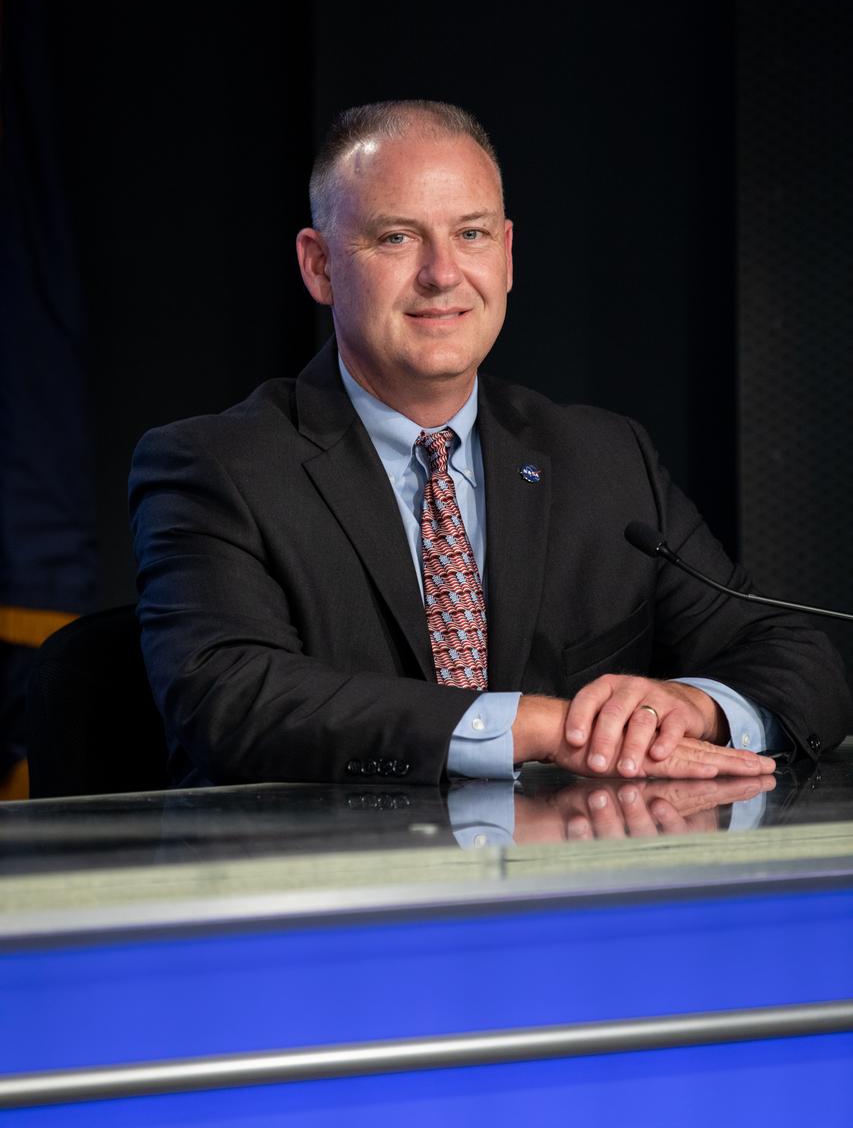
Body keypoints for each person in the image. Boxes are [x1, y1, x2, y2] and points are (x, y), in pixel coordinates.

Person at [129, 100, 851, 789]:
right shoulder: (217, 468)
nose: (442, 274)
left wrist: (698, 706)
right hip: (329, 869)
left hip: (566, 869)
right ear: (319, 266)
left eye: (470, 234)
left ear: (506, 255)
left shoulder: (604, 458)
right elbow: (228, 696)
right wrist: (536, 725)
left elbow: (797, 658)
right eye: (396, 237)